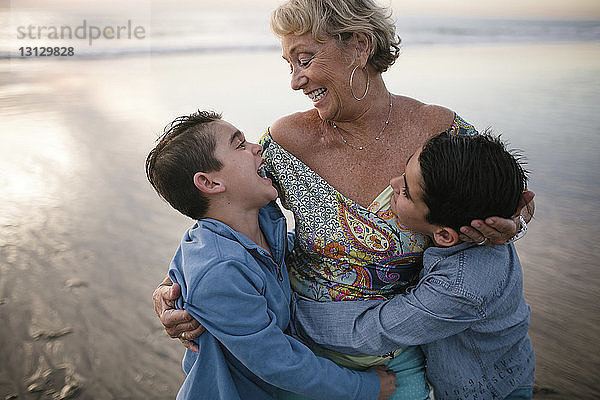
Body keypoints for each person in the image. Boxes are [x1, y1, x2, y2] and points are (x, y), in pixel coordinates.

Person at [152, 0, 534, 398]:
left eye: (305, 59)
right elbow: (220, 214)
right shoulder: (284, 143)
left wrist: (510, 222)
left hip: (399, 354)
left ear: (359, 45)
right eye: (289, 64)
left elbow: (511, 195)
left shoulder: (441, 132)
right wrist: (172, 288)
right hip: (298, 354)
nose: (296, 82)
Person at [145, 110, 395, 400]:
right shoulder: (219, 270)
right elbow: (280, 363)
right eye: (239, 145)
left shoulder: (263, 224)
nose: (257, 147)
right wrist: (366, 387)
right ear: (210, 183)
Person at [289, 131, 535, 400]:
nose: (392, 182)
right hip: (506, 362)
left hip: (487, 389)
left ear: (443, 236)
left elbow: (371, 332)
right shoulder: (481, 211)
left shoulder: (458, 290)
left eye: (405, 191)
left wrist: (290, 306)